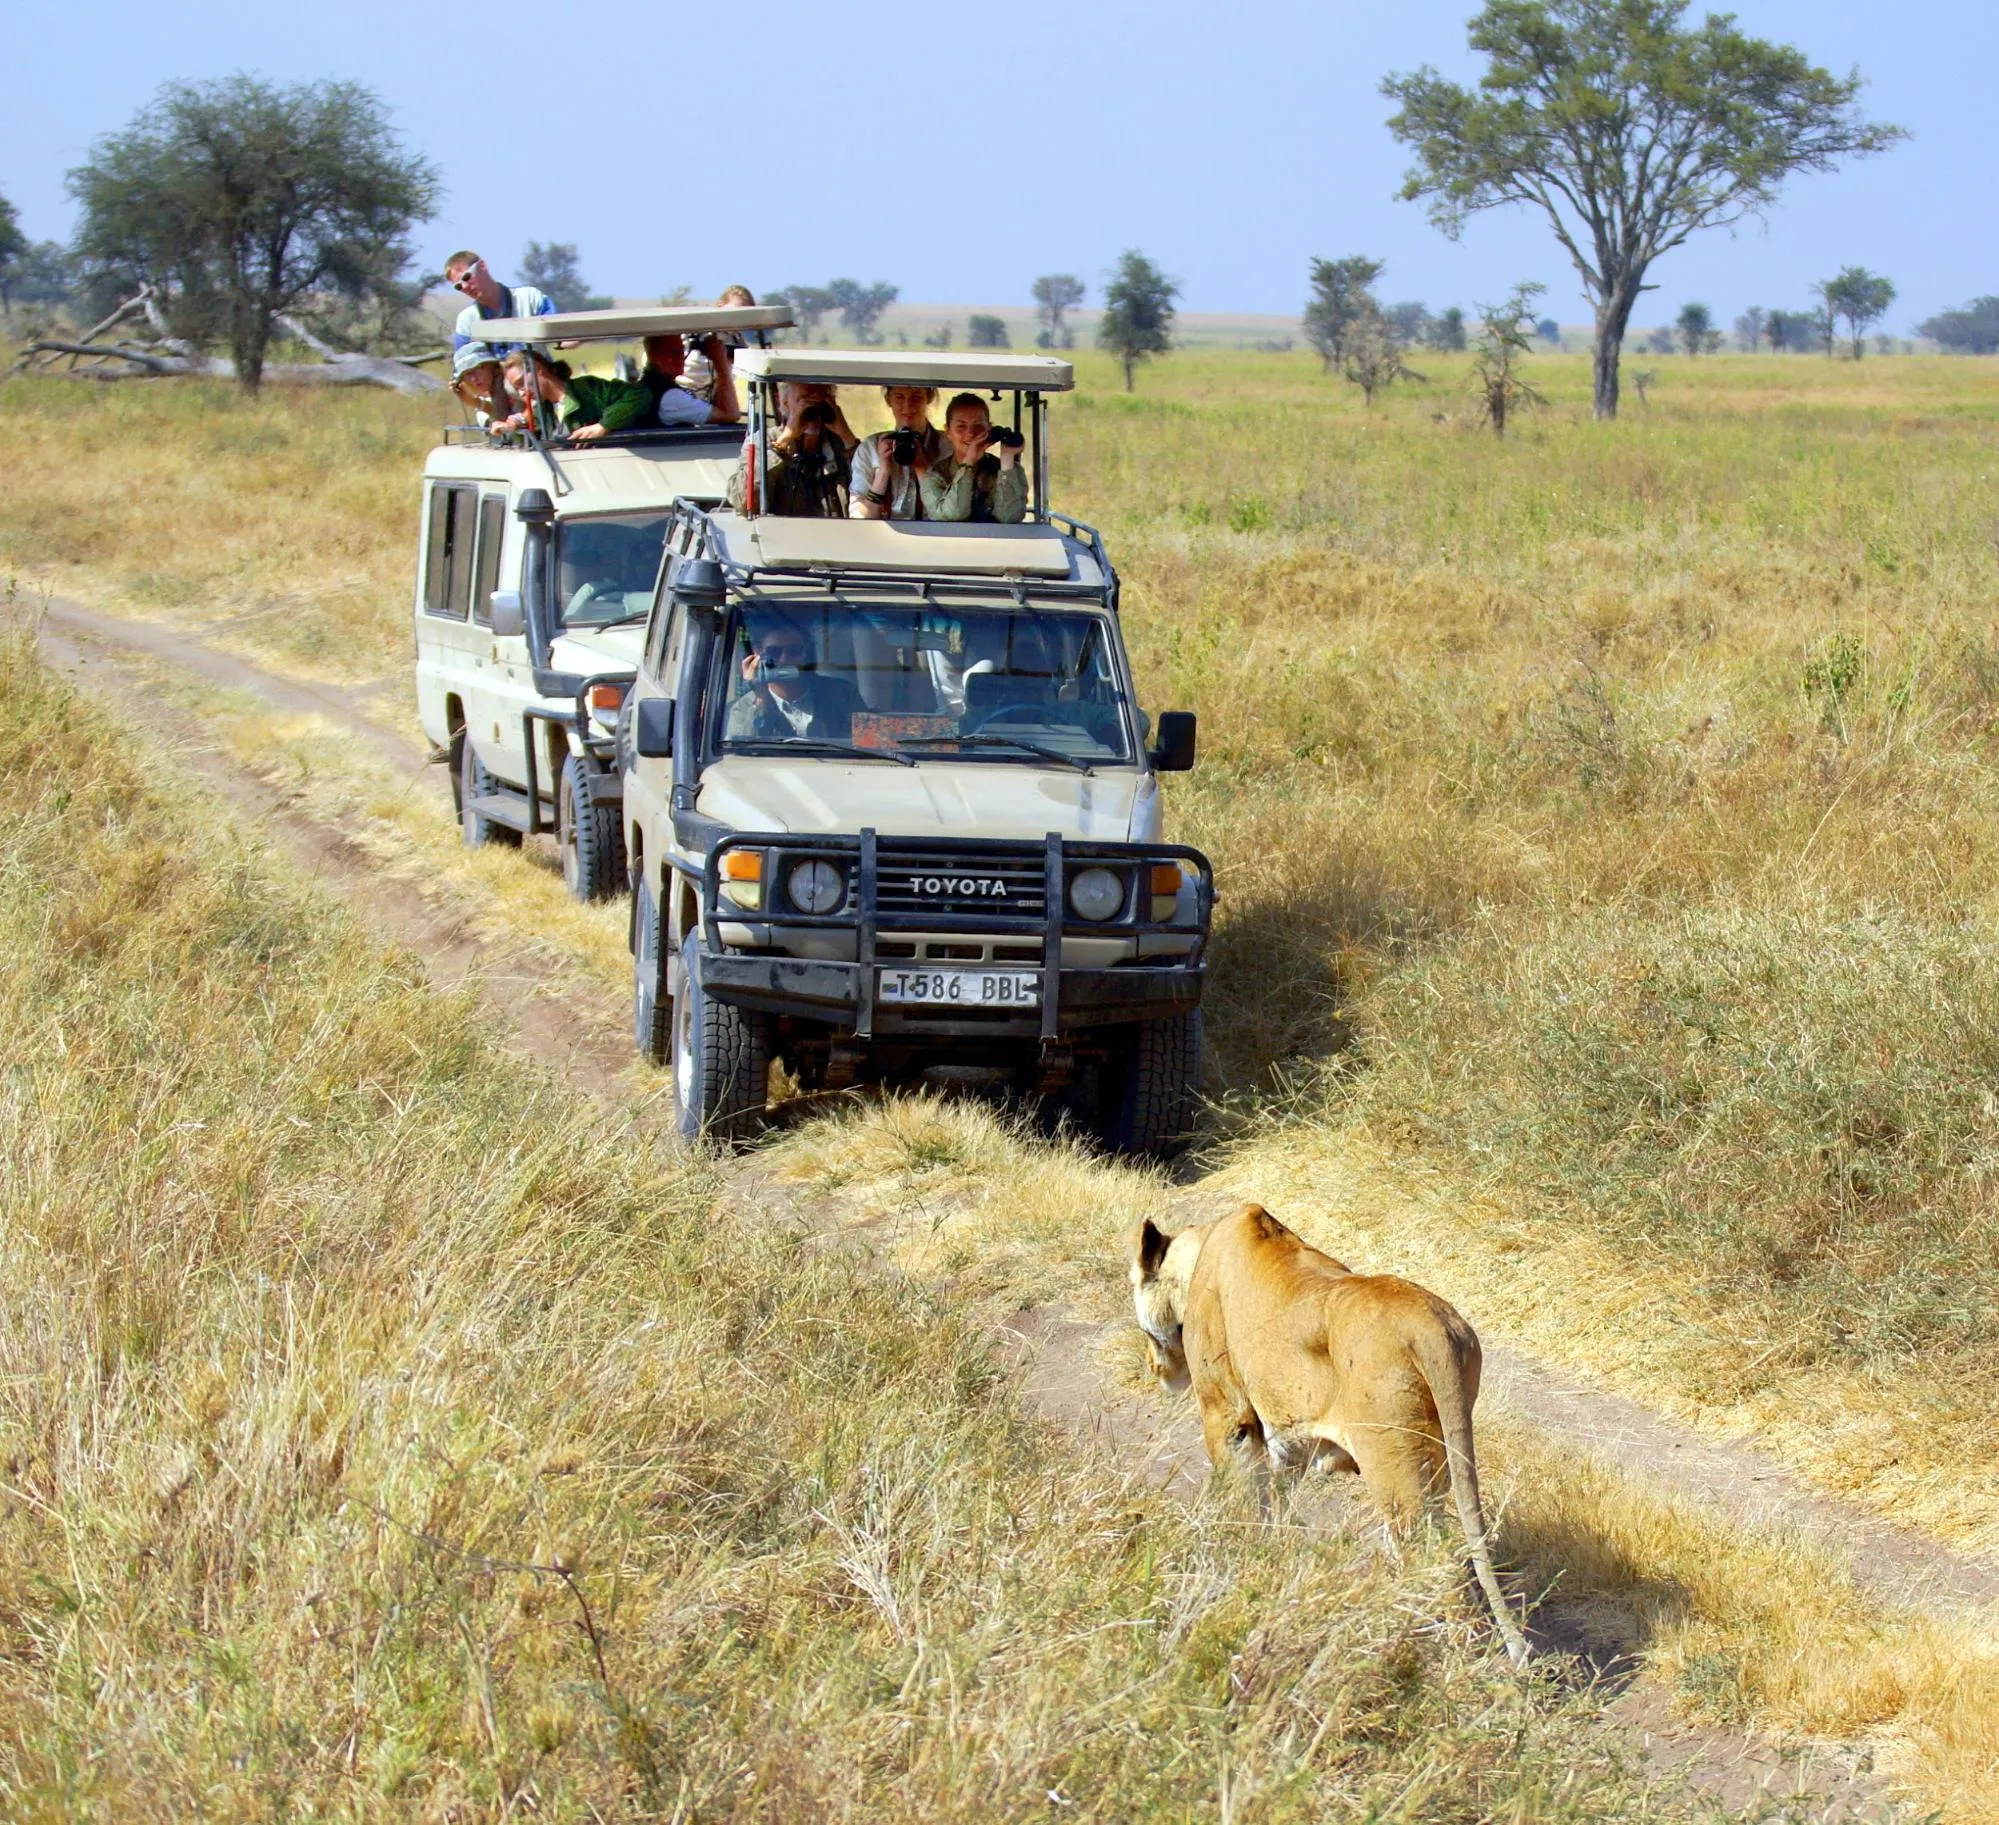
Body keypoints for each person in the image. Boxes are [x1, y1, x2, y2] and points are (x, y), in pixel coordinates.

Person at [445, 250, 554, 420]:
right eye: (458, 286)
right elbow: (463, 365)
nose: (465, 287)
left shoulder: (529, 298)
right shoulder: (467, 320)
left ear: (483, 266)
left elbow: (558, 334)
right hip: (498, 398)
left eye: (466, 277)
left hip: (539, 387)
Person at [724, 612, 859, 741]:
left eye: (794, 651)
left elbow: (868, 743)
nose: (784, 660)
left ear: (805, 653)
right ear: (758, 652)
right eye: (774, 652)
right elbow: (741, 752)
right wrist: (761, 698)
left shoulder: (842, 694)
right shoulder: (743, 708)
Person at [725, 383, 854, 516]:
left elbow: (870, 494)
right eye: (805, 399)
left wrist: (847, 438)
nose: (814, 408)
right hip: (781, 533)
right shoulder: (763, 442)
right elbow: (745, 503)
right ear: (783, 402)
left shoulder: (841, 445)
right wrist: (782, 443)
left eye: (823, 399)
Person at [496, 349, 653, 442]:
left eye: (521, 382)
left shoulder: (588, 389)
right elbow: (528, 432)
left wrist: (604, 425)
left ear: (538, 370)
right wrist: (510, 428)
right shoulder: (544, 410)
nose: (521, 392)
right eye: (517, 388)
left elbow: (640, 394)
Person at [919, 393, 1028, 524]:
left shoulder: (1006, 471)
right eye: (961, 427)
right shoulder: (934, 476)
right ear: (948, 431)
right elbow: (953, 515)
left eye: (978, 426)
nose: (970, 433)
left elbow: (1009, 517)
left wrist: (1007, 460)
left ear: (989, 429)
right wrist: (968, 463)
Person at [850, 386, 942, 520]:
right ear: (888, 399)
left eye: (916, 397)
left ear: (929, 398)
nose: (907, 406)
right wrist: (883, 472)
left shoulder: (947, 447)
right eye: (899, 397)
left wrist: (922, 469)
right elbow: (858, 519)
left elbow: (951, 516)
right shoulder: (870, 448)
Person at [638, 331, 741, 426]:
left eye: (682, 351)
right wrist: (721, 364)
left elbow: (722, 411)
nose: (681, 358)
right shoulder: (671, 397)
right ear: (653, 355)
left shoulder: (649, 386)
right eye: (675, 353)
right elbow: (731, 415)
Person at [680, 284, 758, 401]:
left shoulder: (739, 342)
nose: (739, 319)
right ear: (720, 306)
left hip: (713, 400)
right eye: (736, 312)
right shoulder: (693, 332)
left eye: (745, 315)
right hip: (683, 394)